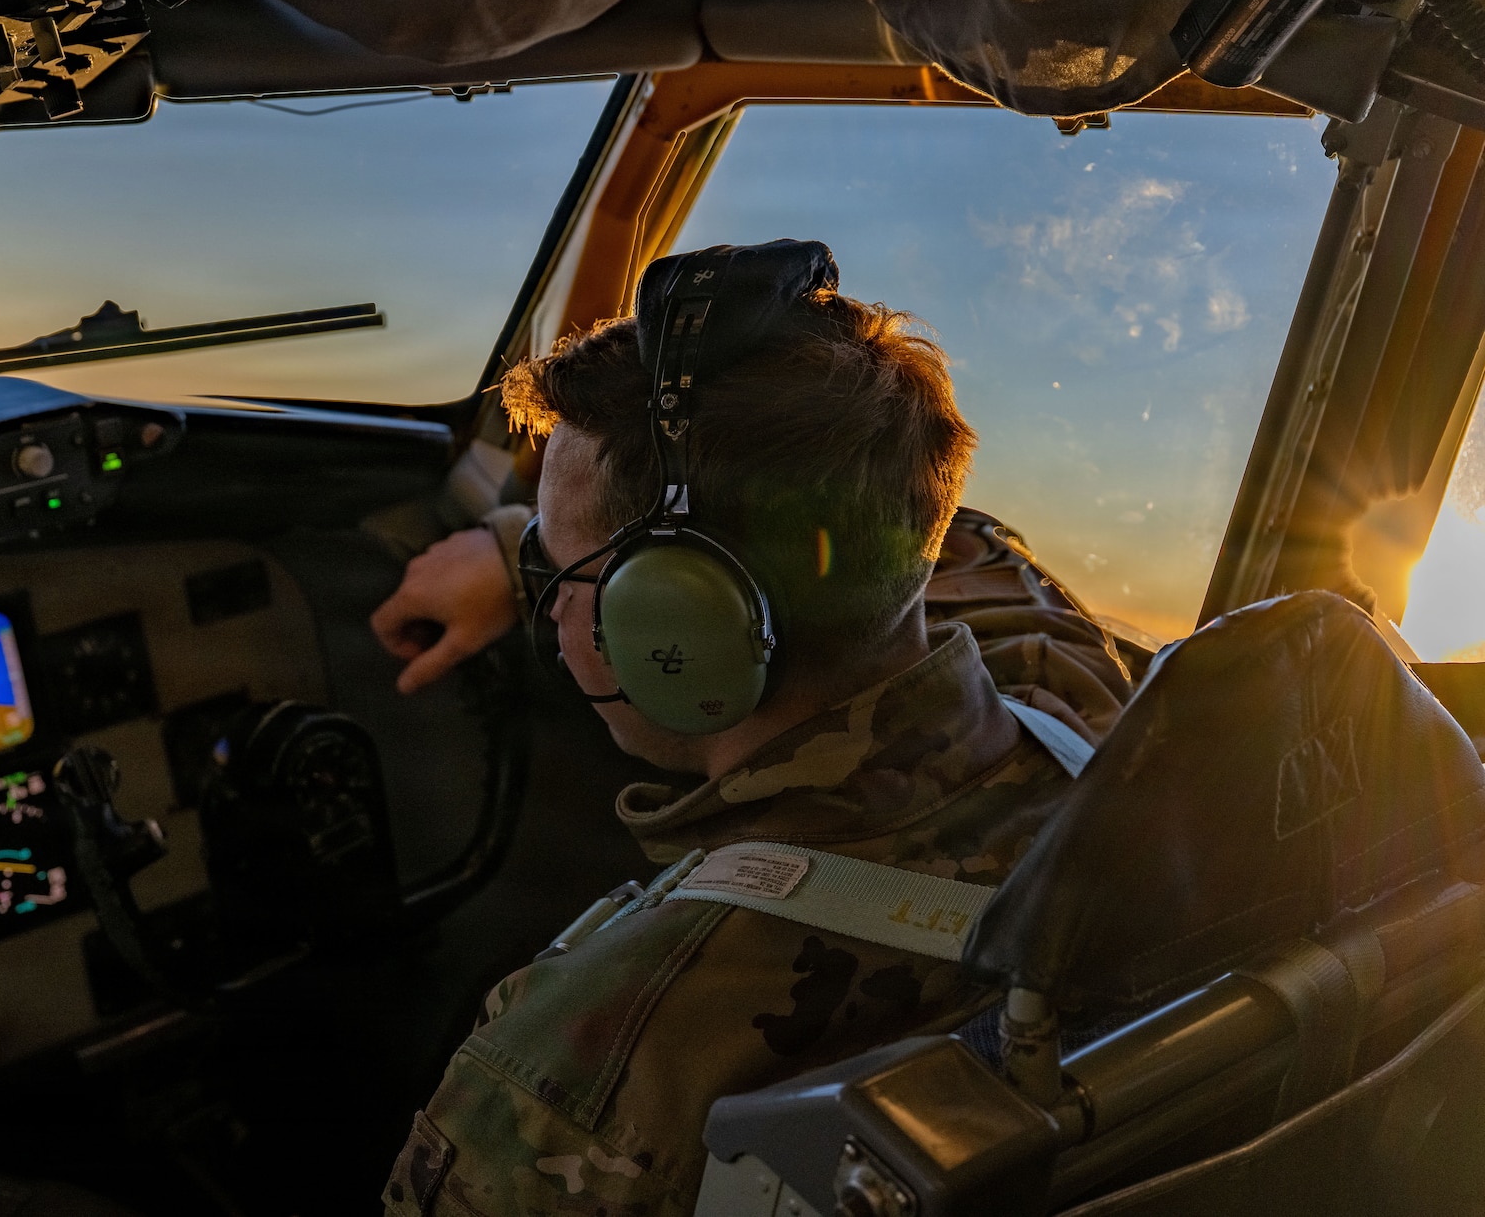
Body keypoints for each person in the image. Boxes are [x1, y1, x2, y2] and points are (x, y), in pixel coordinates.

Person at [376, 240, 1136, 1216]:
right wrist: (514, 541)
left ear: (678, 629)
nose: (547, 610)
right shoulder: (1072, 687)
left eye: (557, 576)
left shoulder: (575, 1083)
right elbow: (968, 537)